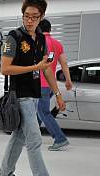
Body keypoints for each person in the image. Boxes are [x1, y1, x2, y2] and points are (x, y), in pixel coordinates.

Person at [0, 0, 66, 176]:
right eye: (26, 16)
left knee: (19, 137)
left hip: (35, 95)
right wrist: (34, 67)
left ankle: (4, 174)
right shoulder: (14, 37)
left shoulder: (42, 40)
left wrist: (58, 94)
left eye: (34, 17)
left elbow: (46, 68)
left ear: (41, 17)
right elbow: (5, 68)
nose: (29, 20)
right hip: (20, 95)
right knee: (34, 139)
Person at [37, 19, 72, 151]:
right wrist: (68, 80)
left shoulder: (38, 42)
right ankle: (29, 137)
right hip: (51, 85)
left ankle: (60, 138)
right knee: (38, 112)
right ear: (50, 29)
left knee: (43, 112)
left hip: (40, 84)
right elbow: (64, 63)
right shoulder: (57, 44)